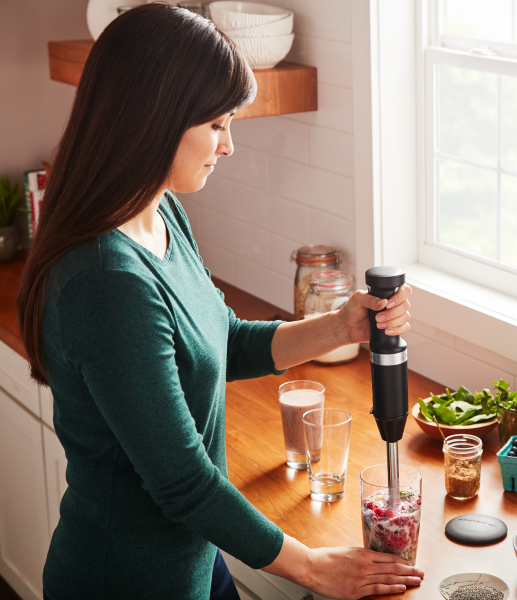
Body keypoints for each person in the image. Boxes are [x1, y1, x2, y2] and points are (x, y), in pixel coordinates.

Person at [16, 5, 420, 600]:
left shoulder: (158, 213)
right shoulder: (107, 282)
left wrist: (341, 325)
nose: (228, 146)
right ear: (154, 119)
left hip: (195, 559)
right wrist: (313, 566)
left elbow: (221, 340)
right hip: (126, 579)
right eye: (217, 125)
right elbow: (182, 482)